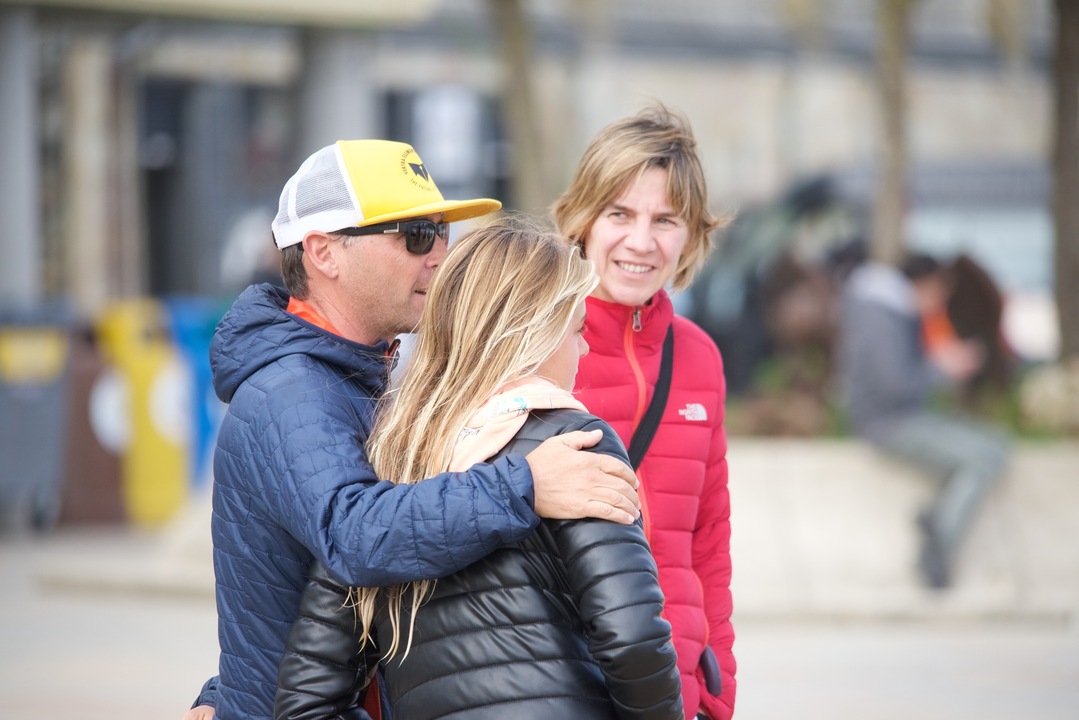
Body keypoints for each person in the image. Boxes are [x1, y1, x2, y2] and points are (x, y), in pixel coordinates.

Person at [185, 140, 640, 720]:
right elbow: (355, 535)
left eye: (442, 233)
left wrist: (225, 689)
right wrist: (526, 485)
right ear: (324, 252)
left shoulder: (347, 373)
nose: (440, 257)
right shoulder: (293, 389)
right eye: (417, 236)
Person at [275, 216, 684, 720]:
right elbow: (635, 642)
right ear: (533, 333)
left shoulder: (391, 457)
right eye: (577, 329)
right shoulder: (575, 444)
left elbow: (305, 701)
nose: (584, 348)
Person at [552, 104, 736, 720]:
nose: (640, 242)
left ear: (690, 236)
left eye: (665, 220)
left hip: (675, 691)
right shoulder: (535, 346)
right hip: (565, 685)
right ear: (583, 220)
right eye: (619, 214)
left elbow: (708, 543)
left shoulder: (700, 357)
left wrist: (717, 688)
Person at [836, 252, 1010, 589]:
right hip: (888, 425)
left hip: (903, 417)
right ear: (925, 283)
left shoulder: (889, 310)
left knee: (994, 445)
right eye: (939, 293)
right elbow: (895, 386)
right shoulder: (881, 315)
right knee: (987, 458)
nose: (938, 304)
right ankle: (940, 532)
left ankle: (937, 522)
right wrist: (940, 367)